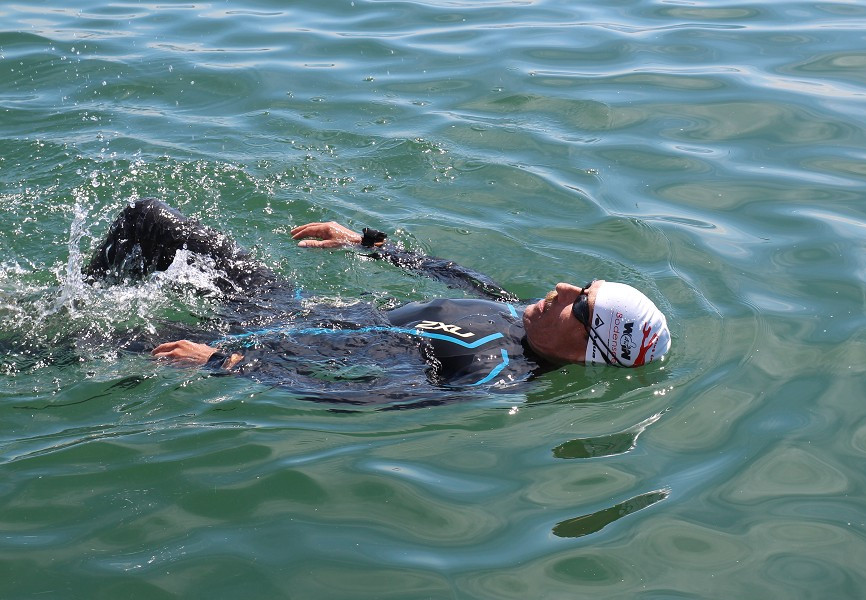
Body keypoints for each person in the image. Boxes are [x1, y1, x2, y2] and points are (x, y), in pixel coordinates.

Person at [85, 198, 670, 405]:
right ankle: (82, 293)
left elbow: (364, 396)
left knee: (71, 343)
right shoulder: (523, 313)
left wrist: (227, 364)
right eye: (580, 285)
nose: (562, 290)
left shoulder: (491, 375)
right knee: (147, 219)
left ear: (591, 351)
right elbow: (459, 276)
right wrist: (364, 244)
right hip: (294, 306)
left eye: (582, 306)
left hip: (268, 345)